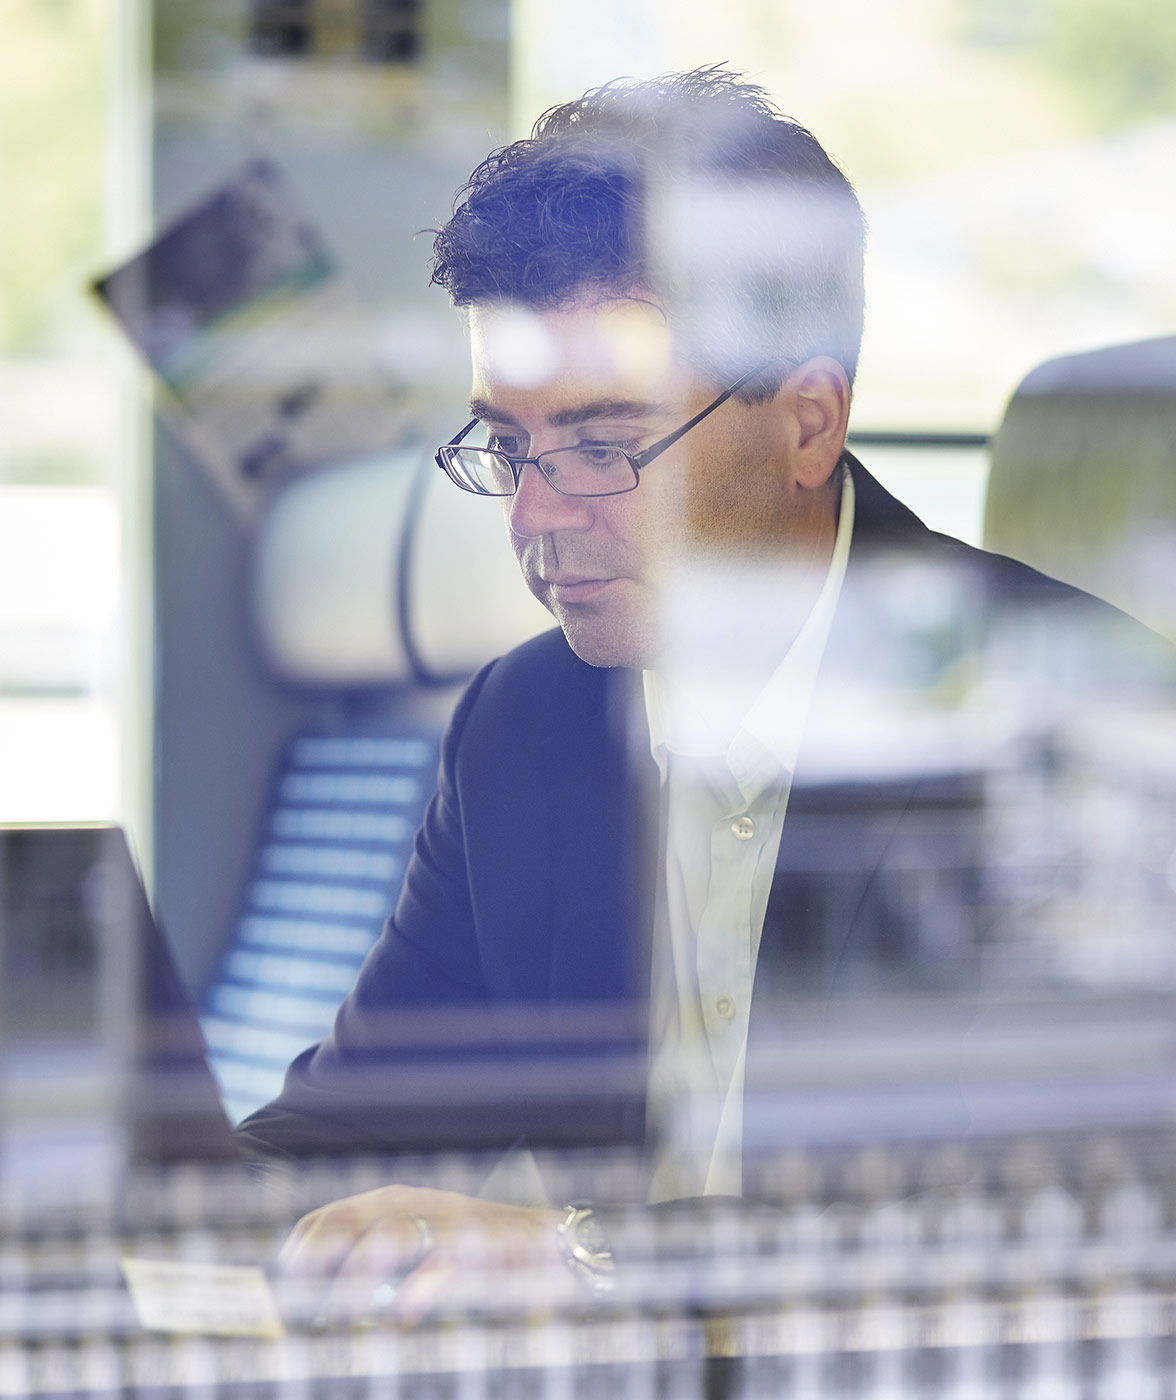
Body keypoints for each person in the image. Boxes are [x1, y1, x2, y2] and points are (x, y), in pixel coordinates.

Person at [238, 67, 1175, 1324]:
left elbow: (1042, 1221)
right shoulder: (529, 725)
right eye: (508, 449)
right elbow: (343, 1136)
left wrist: (570, 1253)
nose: (534, 515)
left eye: (603, 446)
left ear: (806, 425)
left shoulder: (1052, 732)